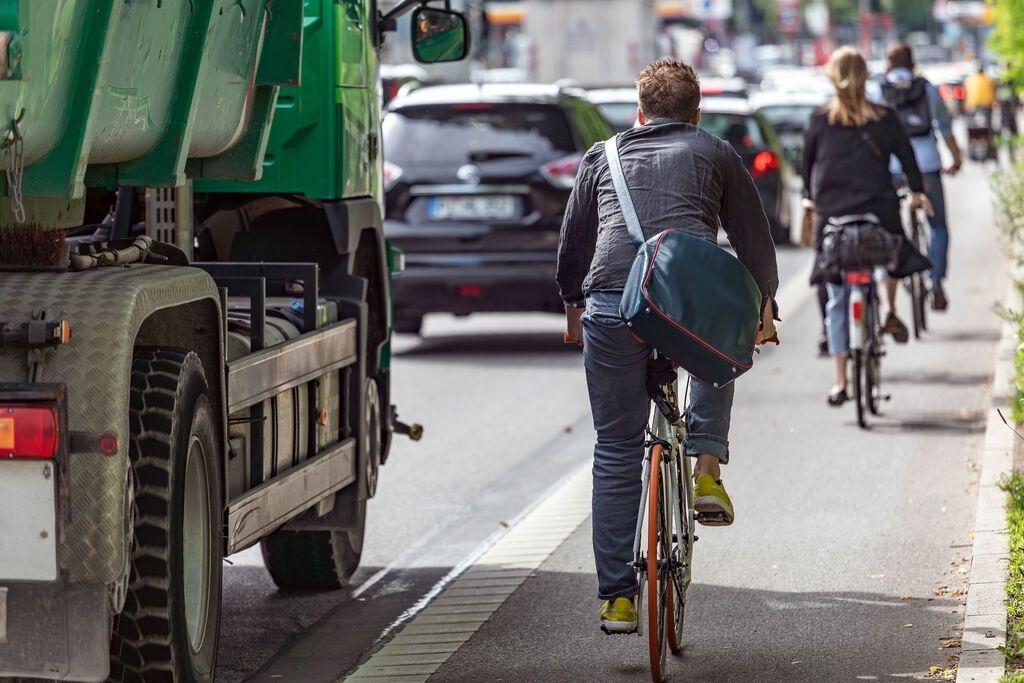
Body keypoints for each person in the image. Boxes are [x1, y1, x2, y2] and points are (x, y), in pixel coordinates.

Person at [556, 59, 779, 634]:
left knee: (615, 448)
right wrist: (763, 305)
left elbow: (575, 240)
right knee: (717, 334)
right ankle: (706, 467)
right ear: (697, 113)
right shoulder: (716, 152)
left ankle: (618, 599)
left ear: (640, 112)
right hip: (683, 298)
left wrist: (573, 304)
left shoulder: (602, 156)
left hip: (613, 303)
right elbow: (752, 236)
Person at [802, 46, 933, 406]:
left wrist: (809, 199)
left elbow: (806, 168)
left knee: (834, 291)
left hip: (832, 215)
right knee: (893, 251)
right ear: (866, 77)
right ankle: (889, 309)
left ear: (833, 77)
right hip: (879, 210)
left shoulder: (819, 119)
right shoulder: (885, 117)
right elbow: (908, 160)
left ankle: (840, 381)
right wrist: (918, 192)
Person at [882, 42, 962, 311]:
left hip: (892, 168)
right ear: (913, 64)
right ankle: (935, 280)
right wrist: (956, 158)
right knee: (937, 225)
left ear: (888, 66)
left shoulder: (879, 90)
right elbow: (945, 128)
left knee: (891, 226)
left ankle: (899, 270)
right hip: (926, 165)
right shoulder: (927, 89)